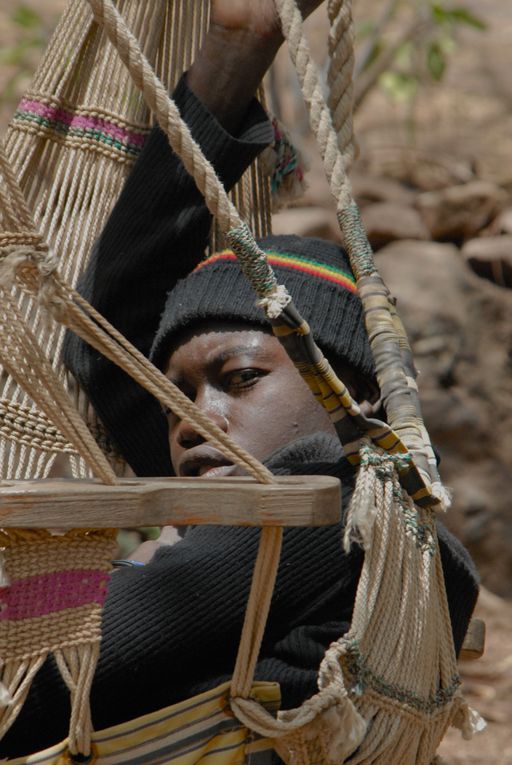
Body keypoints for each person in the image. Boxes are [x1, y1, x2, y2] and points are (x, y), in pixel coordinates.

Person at [0, 0, 479, 758]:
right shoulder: (236, 512)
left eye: (241, 376)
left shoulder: (344, 518)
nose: (194, 417)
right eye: (183, 392)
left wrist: (87, 583)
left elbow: (35, 677)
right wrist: (236, 45)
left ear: (353, 400)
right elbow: (108, 335)